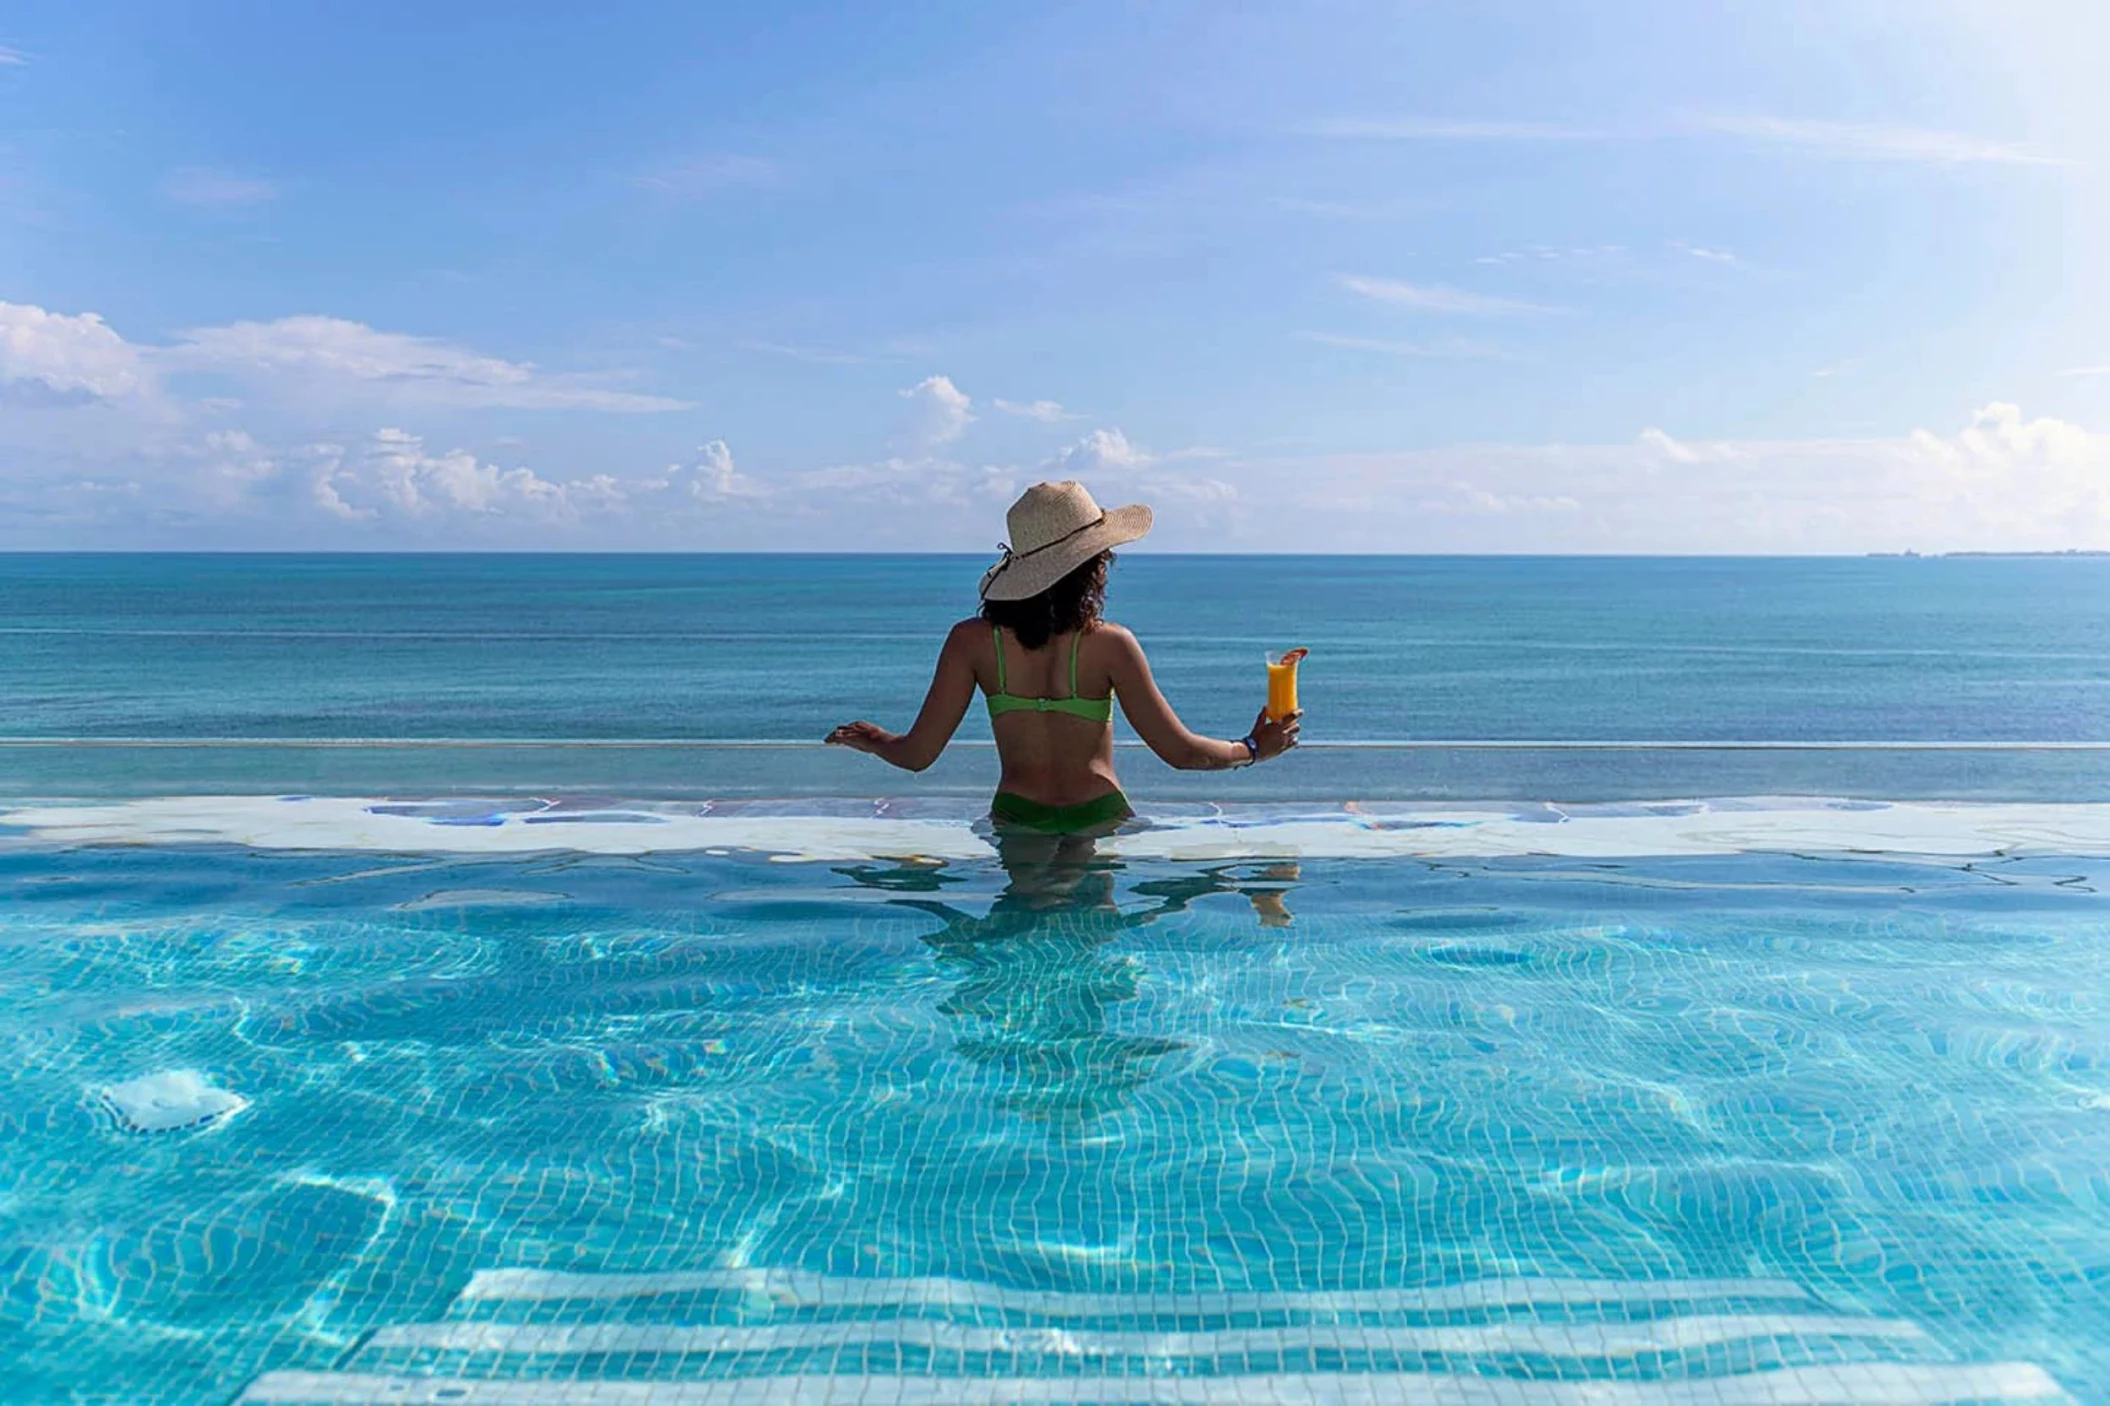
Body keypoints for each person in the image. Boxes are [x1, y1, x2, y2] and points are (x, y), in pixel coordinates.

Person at [825, 480, 1301, 834]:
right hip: (1098, 814)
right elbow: (1181, 753)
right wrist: (1256, 748)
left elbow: (917, 756)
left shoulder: (971, 642)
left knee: (1018, 951)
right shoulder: (1111, 645)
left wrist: (874, 738)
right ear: (1090, 569)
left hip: (1017, 815)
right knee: (1090, 953)